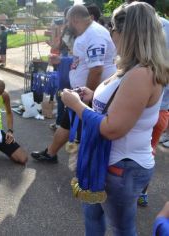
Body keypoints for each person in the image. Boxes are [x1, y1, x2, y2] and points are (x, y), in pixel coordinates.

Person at [61, 2, 169, 235]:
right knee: (92, 214)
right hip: (110, 161)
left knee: (122, 229)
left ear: (127, 33)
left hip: (123, 167)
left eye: (113, 29)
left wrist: (77, 105)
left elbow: (112, 129)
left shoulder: (141, 74)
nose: (111, 34)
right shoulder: (131, 68)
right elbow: (116, 104)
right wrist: (91, 96)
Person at [31, 4, 117, 162]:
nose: (66, 25)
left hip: (91, 94)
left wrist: (87, 96)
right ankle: (51, 153)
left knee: (76, 126)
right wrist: (62, 59)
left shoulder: (94, 35)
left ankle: (80, 164)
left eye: (68, 21)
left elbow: (97, 69)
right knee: (67, 123)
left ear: (75, 19)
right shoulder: (86, 33)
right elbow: (82, 61)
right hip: (83, 92)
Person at [124, 0, 169, 208]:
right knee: (147, 150)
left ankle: (125, 194)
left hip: (136, 103)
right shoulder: (165, 26)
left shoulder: (134, 26)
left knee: (126, 150)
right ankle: (141, 192)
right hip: (162, 107)